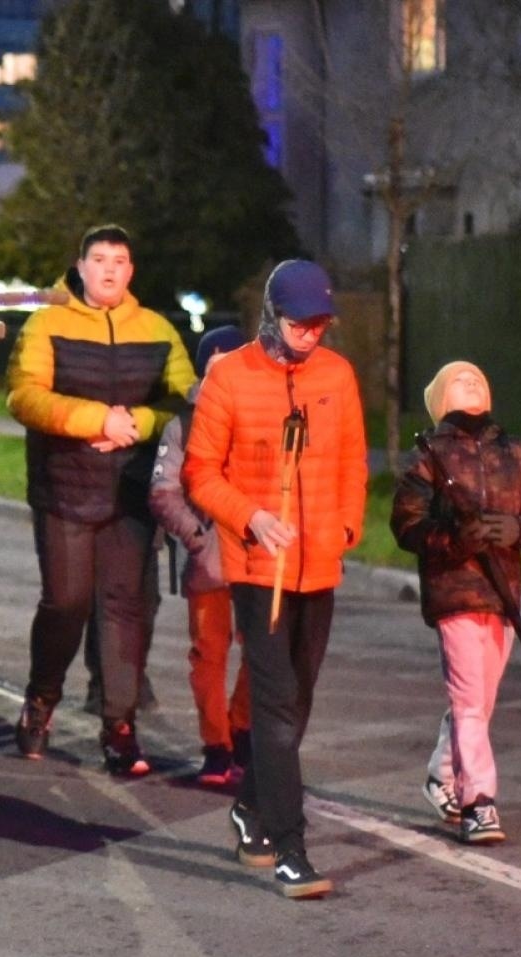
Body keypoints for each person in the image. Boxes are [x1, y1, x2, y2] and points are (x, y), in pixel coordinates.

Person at [183, 259, 367, 899]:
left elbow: (351, 459)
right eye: (299, 323)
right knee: (276, 703)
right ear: (272, 317)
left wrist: (346, 528)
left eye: (319, 324)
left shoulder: (337, 376)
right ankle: (292, 846)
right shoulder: (229, 377)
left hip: (319, 566)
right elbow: (200, 472)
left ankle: (250, 806)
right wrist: (251, 517)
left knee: (300, 697)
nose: (311, 334)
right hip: (258, 567)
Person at [6, 224, 195, 774]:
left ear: (130, 271)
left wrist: (135, 423)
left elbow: (182, 399)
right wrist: (95, 418)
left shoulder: (158, 329)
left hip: (131, 491)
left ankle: (119, 727)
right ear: (81, 266)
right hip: (65, 487)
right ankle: (42, 697)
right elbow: (25, 396)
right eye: (99, 259)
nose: (109, 269)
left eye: (119, 260)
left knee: (124, 607)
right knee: (66, 602)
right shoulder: (48, 323)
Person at [391, 361, 521, 845]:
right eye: (460, 379)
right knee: (468, 699)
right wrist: (456, 538)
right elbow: (407, 526)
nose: (473, 381)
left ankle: (441, 775)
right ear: (441, 399)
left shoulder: (516, 453)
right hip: (455, 592)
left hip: (502, 596)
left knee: (479, 700)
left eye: (480, 377)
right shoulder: (427, 458)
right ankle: (478, 801)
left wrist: (518, 530)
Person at [149, 325, 251, 786]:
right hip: (210, 560)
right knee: (209, 654)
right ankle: (215, 745)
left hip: (258, 557)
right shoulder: (183, 425)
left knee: (262, 653)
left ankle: (243, 732)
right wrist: (196, 535)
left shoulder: (261, 415)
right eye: (217, 365)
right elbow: (164, 491)